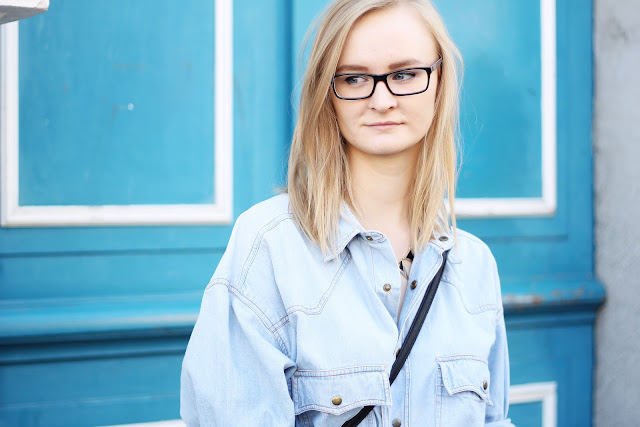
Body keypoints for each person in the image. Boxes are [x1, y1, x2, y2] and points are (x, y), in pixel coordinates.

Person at [181, 0, 514, 425]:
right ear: (328, 94)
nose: (381, 99)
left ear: (439, 83)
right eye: (354, 78)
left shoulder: (475, 267)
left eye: (405, 74)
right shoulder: (268, 248)